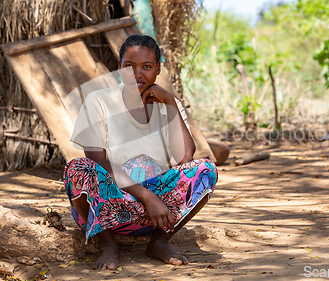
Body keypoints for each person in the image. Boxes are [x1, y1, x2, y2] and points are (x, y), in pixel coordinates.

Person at [63, 35, 218, 270]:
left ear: (158, 69)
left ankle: (159, 241)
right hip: (106, 209)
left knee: (205, 170)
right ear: (119, 68)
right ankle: (107, 245)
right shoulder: (99, 101)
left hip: (156, 215)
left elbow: (186, 158)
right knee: (78, 168)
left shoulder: (165, 104)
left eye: (146, 67)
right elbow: (96, 160)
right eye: (129, 66)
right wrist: (147, 196)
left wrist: (171, 103)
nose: (137, 74)